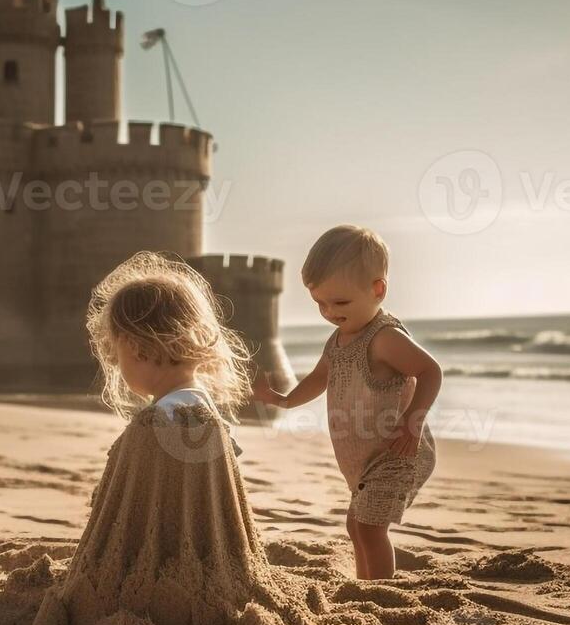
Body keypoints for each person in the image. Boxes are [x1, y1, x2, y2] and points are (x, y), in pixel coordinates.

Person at [253, 225, 440, 580]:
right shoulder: (338, 339)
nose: (328, 312)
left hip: (397, 451)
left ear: (377, 289)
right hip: (364, 457)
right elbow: (319, 378)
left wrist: (413, 422)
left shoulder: (384, 338)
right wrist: (282, 400)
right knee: (356, 526)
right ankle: (365, 587)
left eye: (339, 303)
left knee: (370, 528)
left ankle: (380, 593)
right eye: (319, 303)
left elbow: (430, 371)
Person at [87, 250, 252, 423]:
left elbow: (137, 451)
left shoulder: (153, 423)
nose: (115, 363)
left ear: (133, 346)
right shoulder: (208, 412)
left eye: (116, 354)